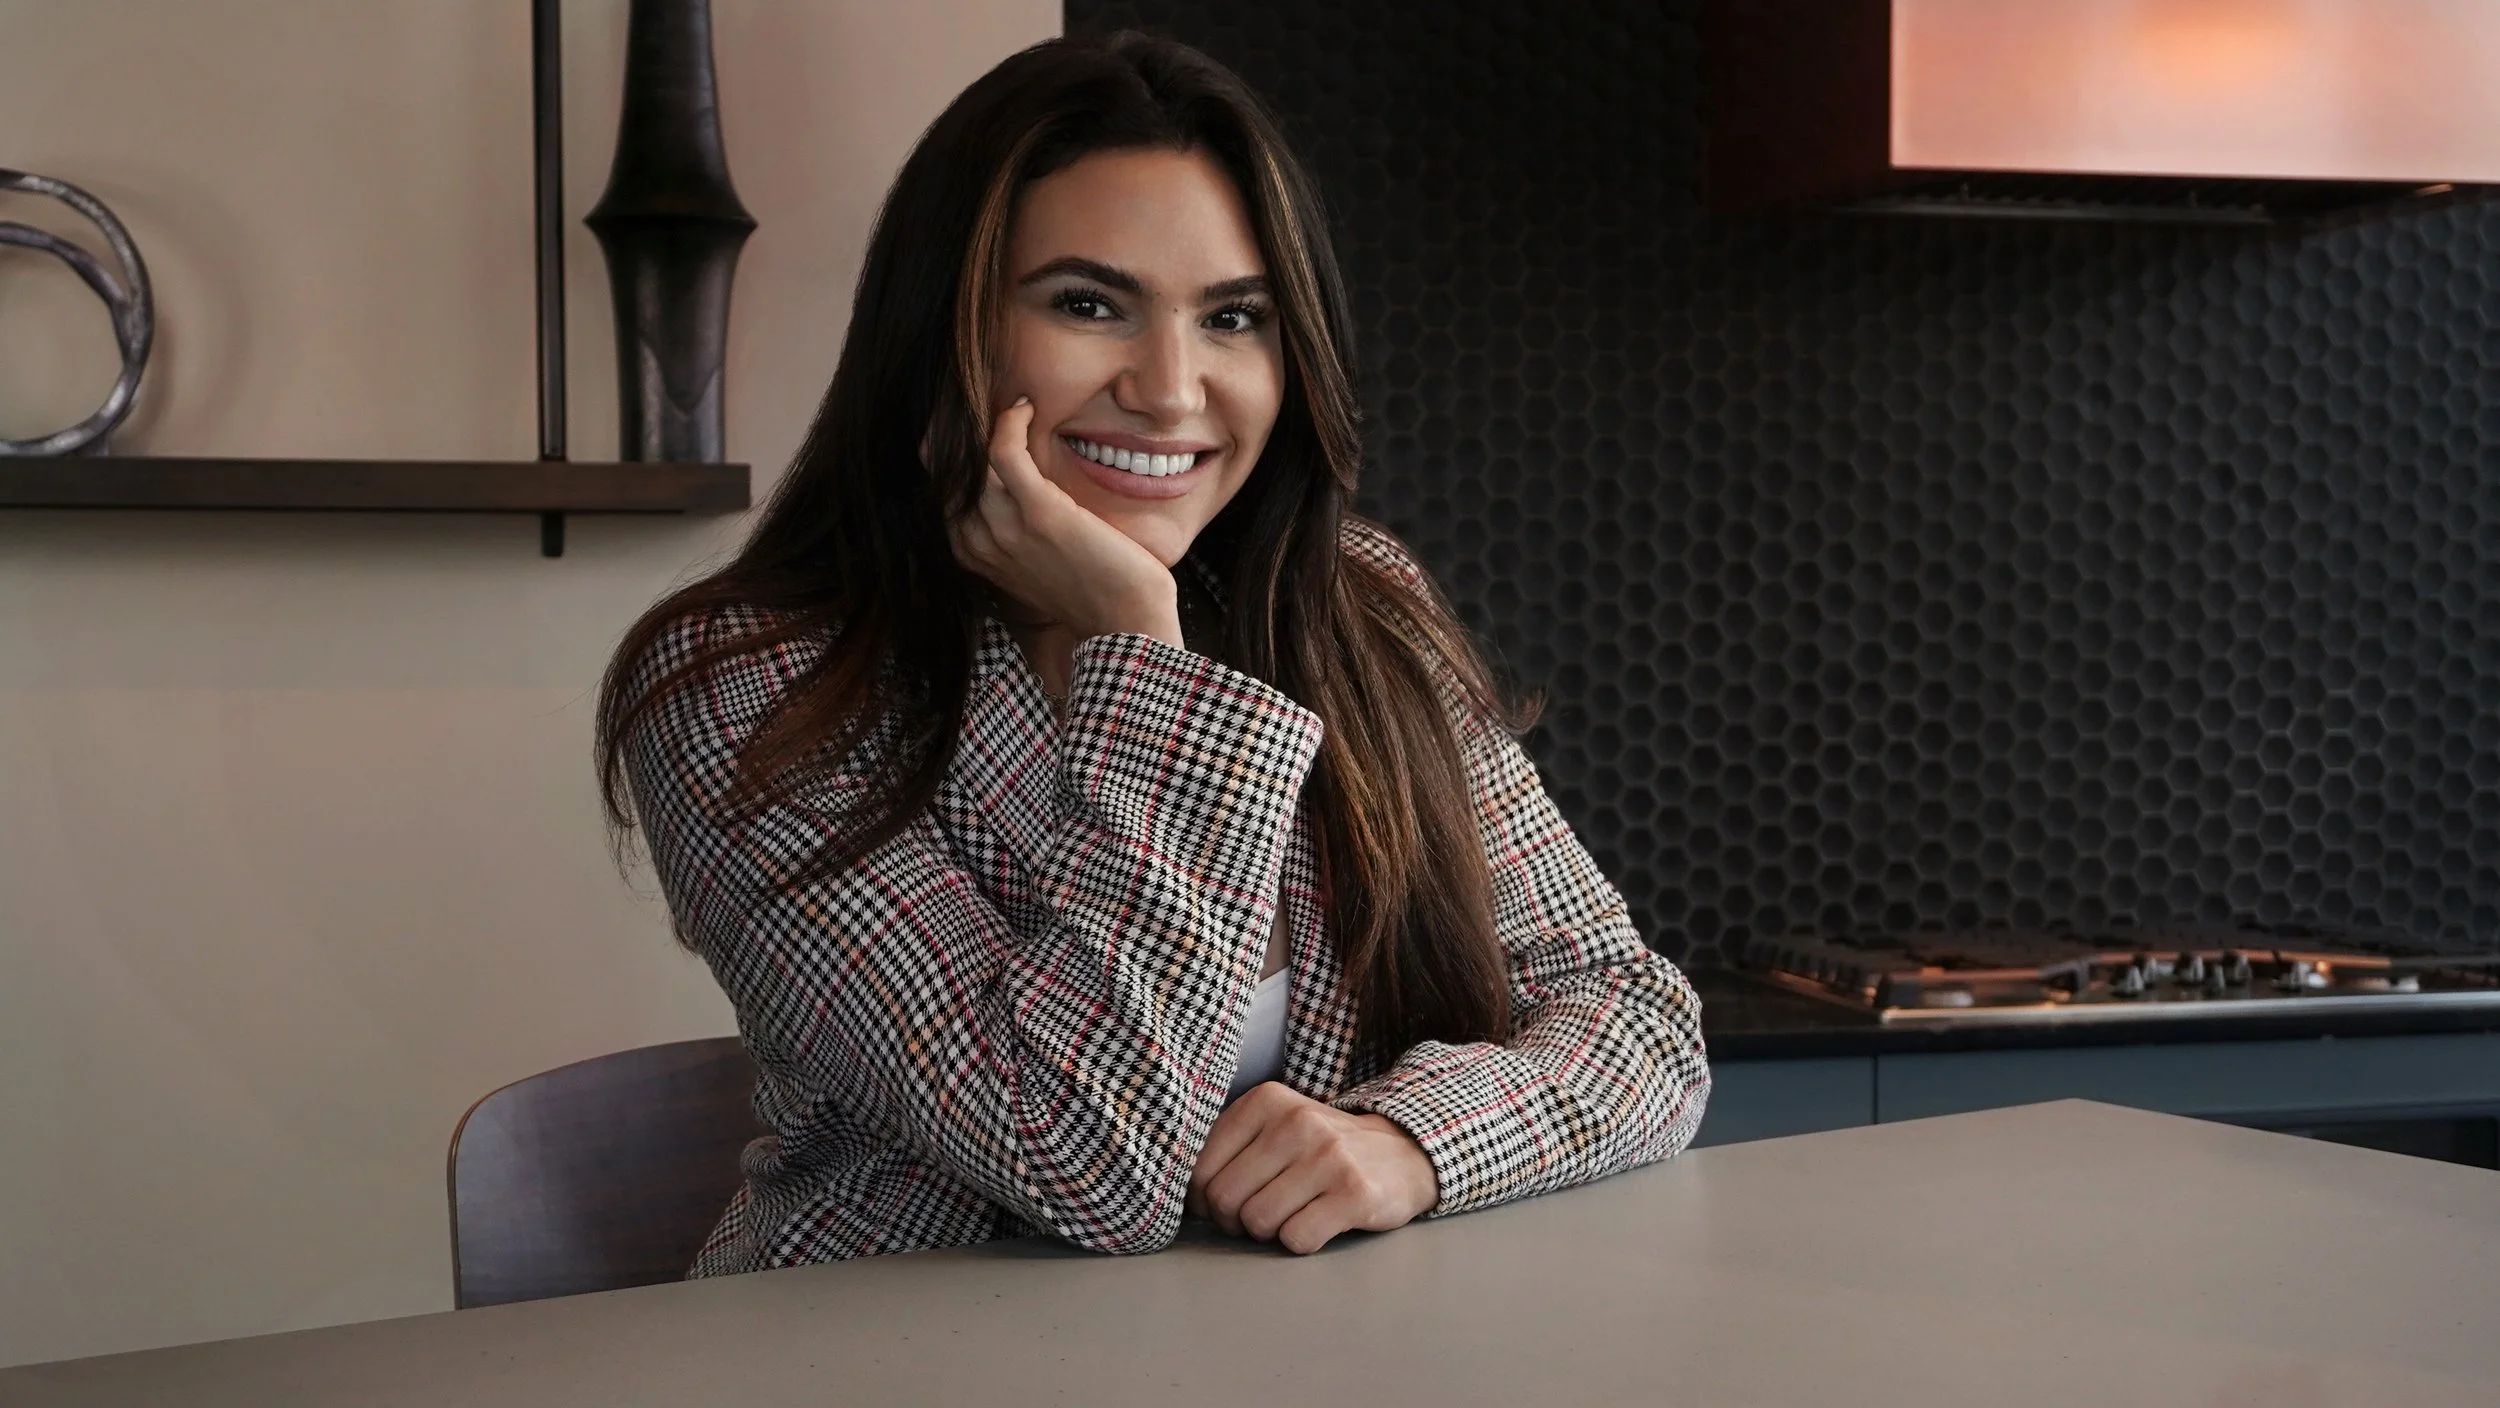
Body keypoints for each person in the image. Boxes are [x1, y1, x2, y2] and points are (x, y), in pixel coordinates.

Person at [595, 30, 1709, 1274]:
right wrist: (1141, 643)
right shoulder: (746, 686)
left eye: (1234, 319)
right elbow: (1083, 1161)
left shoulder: (1355, 608)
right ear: (943, 326)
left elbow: (1638, 1023)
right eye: (1087, 304)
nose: (1174, 392)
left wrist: (1409, 1142)